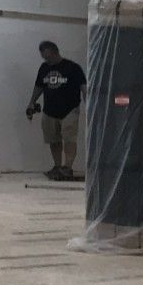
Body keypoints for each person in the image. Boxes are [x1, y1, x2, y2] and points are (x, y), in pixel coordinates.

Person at [26, 41, 86, 181]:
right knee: (53, 140)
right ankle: (57, 166)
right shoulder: (44, 68)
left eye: (48, 57)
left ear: (55, 52)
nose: (47, 60)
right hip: (50, 110)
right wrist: (31, 103)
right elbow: (39, 86)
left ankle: (68, 167)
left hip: (69, 110)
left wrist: (89, 102)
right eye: (44, 57)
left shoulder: (73, 67)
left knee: (69, 139)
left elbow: (84, 86)